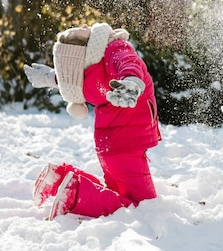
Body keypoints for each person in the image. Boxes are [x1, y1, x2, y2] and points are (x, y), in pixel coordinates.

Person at [23, 22, 161, 219]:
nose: (85, 24)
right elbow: (127, 62)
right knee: (143, 206)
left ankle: (59, 177)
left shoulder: (86, 79)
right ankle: (74, 195)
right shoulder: (113, 48)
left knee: (117, 195)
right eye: (79, 30)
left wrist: (49, 78)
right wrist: (132, 81)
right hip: (127, 145)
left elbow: (70, 74)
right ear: (86, 45)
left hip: (109, 147)